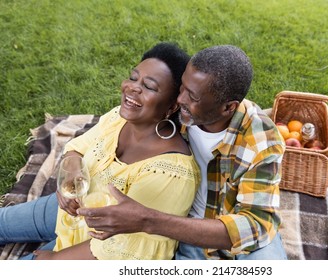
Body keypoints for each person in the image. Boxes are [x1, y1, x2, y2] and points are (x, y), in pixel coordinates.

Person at [77, 45, 287, 260]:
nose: (180, 100)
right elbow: (114, 125)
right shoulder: (176, 109)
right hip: (178, 225)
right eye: (182, 87)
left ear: (227, 108)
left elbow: (256, 225)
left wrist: (148, 220)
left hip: (225, 236)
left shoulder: (261, 142)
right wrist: (73, 158)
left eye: (193, 97)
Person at [0, 42, 200, 260]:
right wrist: (72, 175)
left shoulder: (171, 173)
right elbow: (77, 148)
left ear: (172, 106)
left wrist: (54, 260)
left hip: (100, 247)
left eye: (149, 86)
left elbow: (125, 250)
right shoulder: (118, 118)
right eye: (133, 78)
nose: (132, 87)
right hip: (68, 211)